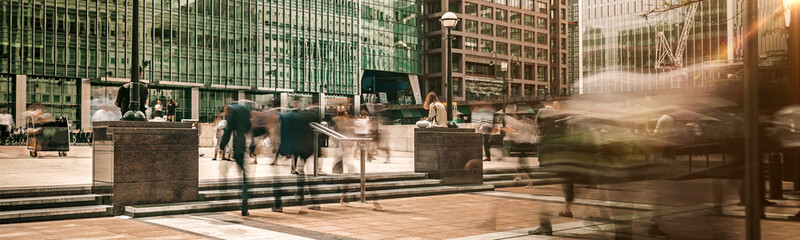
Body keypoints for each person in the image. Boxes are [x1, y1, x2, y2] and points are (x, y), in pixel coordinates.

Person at [218, 101, 252, 216]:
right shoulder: (246, 110)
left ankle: (226, 194)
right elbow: (249, 127)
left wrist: (222, 145)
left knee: (230, 171)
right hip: (244, 142)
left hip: (237, 143)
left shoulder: (232, 110)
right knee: (243, 175)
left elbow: (228, 129)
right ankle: (244, 205)